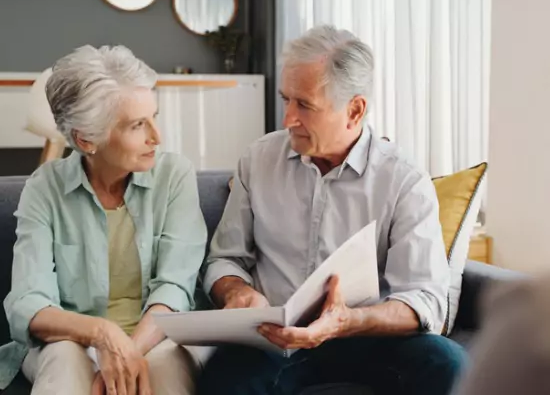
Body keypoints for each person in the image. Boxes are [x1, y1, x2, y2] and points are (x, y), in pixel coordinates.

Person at [199, 25, 466, 395]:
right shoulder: (259, 160)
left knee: (448, 365)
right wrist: (236, 292)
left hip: (369, 338)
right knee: (225, 376)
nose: (287, 118)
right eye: (285, 99)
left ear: (354, 110)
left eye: (304, 105)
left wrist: (348, 321)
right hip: (276, 342)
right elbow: (223, 260)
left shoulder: (404, 180)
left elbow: (425, 300)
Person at [0, 45, 210, 395]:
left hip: (157, 335)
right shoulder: (44, 188)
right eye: (137, 125)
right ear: (86, 139)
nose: (157, 137)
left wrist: (126, 352)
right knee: (65, 363)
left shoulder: (174, 176)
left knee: (165, 370)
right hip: (68, 341)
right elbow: (29, 302)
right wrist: (102, 334)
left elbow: (175, 288)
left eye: (154, 117)